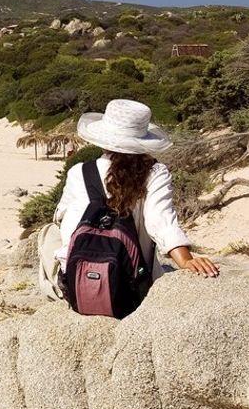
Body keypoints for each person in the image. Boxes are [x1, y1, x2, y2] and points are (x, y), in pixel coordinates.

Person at [37, 99, 218, 303]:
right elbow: (161, 221)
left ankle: (61, 296)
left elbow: (64, 222)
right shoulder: (155, 173)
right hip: (131, 288)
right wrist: (185, 261)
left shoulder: (79, 172)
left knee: (48, 233)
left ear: (103, 137)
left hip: (78, 286)